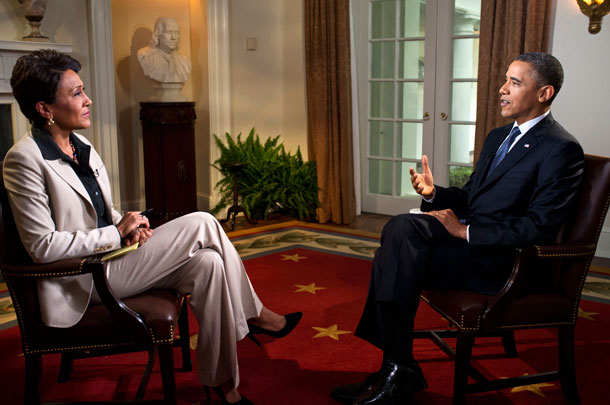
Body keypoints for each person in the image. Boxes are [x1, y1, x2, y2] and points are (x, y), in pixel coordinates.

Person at [4, 49, 301, 405]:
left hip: (115, 256)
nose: (88, 100)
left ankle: (224, 386)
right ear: (44, 109)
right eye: (77, 93)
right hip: (83, 279)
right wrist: (115, 233)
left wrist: (127, 225)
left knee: (210, 264)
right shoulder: (23, 160)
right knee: (205, 221)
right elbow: (41, 246)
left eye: (83, 90)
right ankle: (255, 315)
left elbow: (101, 210)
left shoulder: (79, 144)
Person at [331, 52, 585, 405]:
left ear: (544, 94)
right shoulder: (499, 136)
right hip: (474, 250)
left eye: (515, 82)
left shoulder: (561, 148)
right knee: (401, 230)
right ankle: (397, 365)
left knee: (396, 255)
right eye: (505, 79)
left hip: (506, 263)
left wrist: (465, 233)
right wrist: (435, 194)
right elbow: (470, 198)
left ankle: (396, 367)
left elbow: (539, 227)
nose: (502, 89)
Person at [137, 16, 192, 83]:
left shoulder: (185, 62)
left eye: (176, 32)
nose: (173, 37)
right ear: (158, 34)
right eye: (169, 32)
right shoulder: (145, 56)